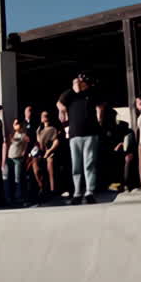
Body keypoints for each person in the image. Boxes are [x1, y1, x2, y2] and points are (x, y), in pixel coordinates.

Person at [58, 74, 99, 204]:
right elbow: (59, 104)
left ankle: (89, 192)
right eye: (77, 82)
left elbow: (100, 107)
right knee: (76, 165)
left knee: (89, 164)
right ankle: (77, 192)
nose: (79, 84)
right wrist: (65, 112)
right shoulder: (69, 95)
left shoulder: (90, 93)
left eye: (81, 82)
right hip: (75, 135)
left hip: (90, 133)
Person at [6, 117, 29, 206]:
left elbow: (26, 144)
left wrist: (24, 154)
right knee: (10, 178)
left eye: (17, 124)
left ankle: (19, 197)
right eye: (14, 124)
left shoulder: (23, 135)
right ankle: (11, 197)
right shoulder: (12, 134)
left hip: (18, 159)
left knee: (18, 178)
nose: (15, 125)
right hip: (10, 158)